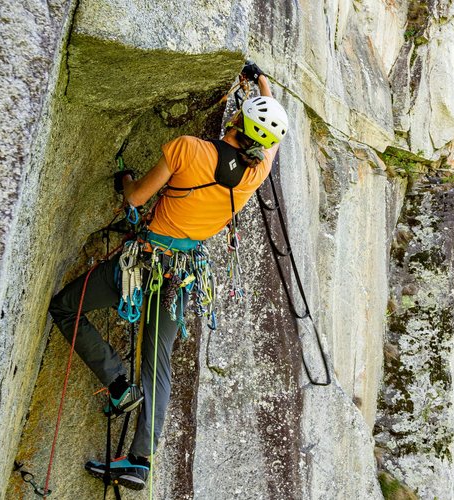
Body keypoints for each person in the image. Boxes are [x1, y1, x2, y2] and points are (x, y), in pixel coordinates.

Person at [47, 62, 288, 490]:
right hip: (183, 275)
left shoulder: (188, 150)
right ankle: (139, 461)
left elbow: (136, 198)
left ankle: (118, 384)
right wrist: (262, 86)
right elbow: (271, 140)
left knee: (66, 307)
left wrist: (126, 180)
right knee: (158, 365)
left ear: (237, 118)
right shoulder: (255, 173)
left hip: (144, 265)